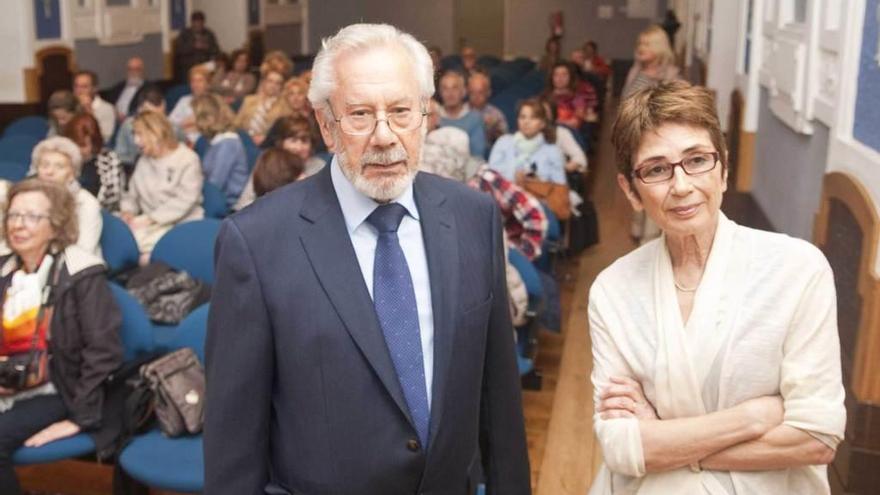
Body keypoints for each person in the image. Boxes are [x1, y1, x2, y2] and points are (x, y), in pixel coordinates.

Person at [205, 23, 530, 495]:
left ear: (425, 115)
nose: (384, 136)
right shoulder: (255, 242)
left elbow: (498, 403)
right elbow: (233, 446)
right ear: (326, 125)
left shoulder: (473, 216)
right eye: (359, 114)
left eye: (401, 111)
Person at [588, 81, 845, 494]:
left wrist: (664, 439)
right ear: (631, 192)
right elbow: (621, 449)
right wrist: (753, 419)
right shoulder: (612, 290)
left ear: (723, 169)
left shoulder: (797, 271)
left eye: (697, 160)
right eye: (656, 169)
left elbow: (816, 437)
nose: (682, 186)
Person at [0, 179, 123, 495]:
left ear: (55, 226)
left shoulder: (81, 273)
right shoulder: (5, 270)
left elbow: (104, 351)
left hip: (58, 387)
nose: (18, 225)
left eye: (31, 217)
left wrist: (79, 418)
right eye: (13, 216)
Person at [120, 111, 203, 258]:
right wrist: (128, 211)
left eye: (139, 134)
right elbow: (132, 195)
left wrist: (151, 219)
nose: (135, 141)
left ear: (155, 133)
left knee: (140, 254)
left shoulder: (188, 160)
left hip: (180, 224)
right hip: (149, 224)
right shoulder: (143, 160)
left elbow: (185, 200)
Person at [29, 137, 103, 257]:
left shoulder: (85, 203)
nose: (50, 172)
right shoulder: (29, 199)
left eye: (59, 167)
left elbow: (84, 251)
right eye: (44, 165)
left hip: (75, 268)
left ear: (72, 174)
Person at [488, 98, 566, 185]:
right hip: (502, 194)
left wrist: (539, 183)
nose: (526, 122)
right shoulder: (504, 142)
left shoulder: (552, 151)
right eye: (522, 117)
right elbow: (490, 173)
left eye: (533, 118)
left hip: (537, 196)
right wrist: (513, 175)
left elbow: (560, 186)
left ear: (542, 123)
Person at [192, 93, 249, 207]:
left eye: (195, 116)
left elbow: (215, 185)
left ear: (208, 118)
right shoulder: (215, 141)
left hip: (229, 206)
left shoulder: (228, 144)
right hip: (216, 199)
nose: (193, 121)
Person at [63, 113, 126, 212]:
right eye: (73, 143)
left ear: (94, 142)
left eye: (83, 145)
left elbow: (113, 198)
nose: (77, 149)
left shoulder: (109, 159)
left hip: (102, 213)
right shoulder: (63, 159)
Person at [235, 53, 292, 145]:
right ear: (264, 81)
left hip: (268, 144)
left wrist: (265, 138)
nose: (273, 86)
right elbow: (236, 124)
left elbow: (283, 131)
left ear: (282, 86)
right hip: (244, 140)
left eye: (278, 83)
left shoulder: (285, 105)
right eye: (270, 81)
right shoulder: (249, 100)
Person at [621, 25, 680, 101]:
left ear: (659, 47)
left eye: (647, 45)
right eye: (640, 44)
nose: (641, 48)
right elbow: (625, 99)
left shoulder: (670, 75)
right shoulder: (635, 70)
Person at [436, 70, 487, 158]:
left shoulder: (474, 119)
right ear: (440, 92)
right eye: (445, 88)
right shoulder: (433, 117)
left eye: (455, 88)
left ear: (463, 92)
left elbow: (477, 157)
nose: (450, 93)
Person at [543, 62, 598, 132]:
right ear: (551, 78)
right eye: (556, 75)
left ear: (571, 78)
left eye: (564, 75)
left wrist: (554, 122)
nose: (560, 78)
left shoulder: (577, 98)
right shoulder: (544, 96)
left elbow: (575, 123)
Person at [168, 65, 211, 145]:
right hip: (182, 140)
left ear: (208, 84)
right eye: (193, 81)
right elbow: (170, 123)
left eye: (200, 81)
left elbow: (212, 126)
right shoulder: (184, 100)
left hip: (204, 143)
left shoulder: (213, 102)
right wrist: (187, 124)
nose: (195, 84)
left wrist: (196, 124)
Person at [174, 10, 220, 81]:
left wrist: (207, 47)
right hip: (188, 66)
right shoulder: (184, 34)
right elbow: (179, 50)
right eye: (196, 23)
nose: (198, 25)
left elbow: (216, 51)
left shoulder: (209, 34)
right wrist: (193, 46)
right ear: (192, 23)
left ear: (203, 22)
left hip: (205, 65)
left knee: (214, 68)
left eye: (200, 23)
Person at [467, 71, 508, 148]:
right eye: (472, 92)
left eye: (480, 92)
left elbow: (504, 144)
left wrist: (492, 130)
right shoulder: (460, 111)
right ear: (467, 92)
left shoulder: (496, 115)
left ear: (488, 92)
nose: (476, 97)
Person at [72, 71, 115, 142]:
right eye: (76, 86)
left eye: (84, 87)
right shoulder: (70, 106)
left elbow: (105, 139)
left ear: (95, 89)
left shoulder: (106, 109)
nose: (79, 91)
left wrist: (89, 111)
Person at [106, 57, 146, 121]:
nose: (133, 72)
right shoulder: (118, 87)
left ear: (142, 71)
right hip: (113, 118)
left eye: (137, 69)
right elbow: (108, 102)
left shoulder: (149, 89)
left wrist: (127, 117)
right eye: (130, 69)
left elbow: (146, 109)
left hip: (133, 120)